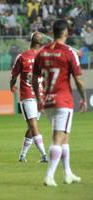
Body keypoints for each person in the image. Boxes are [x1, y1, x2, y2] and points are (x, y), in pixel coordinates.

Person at [32, 19, 87, 187]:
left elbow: (34, 79)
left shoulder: (41, 52)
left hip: (48, 102)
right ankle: (49, 176)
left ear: (53, 31)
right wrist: (84, 97)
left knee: (64, 138)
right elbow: (78, 80)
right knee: (58, 139)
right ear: (66, 33)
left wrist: (39, 98)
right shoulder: (68, 52)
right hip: (63, 101)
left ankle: (68, 173)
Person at [10, 32, 48, 163]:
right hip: (36, 96)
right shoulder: (44, 57)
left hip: (30, 95)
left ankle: (22, 155)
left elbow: (14, 76)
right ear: (40, 43)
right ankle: (44, 155)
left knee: (32, 127)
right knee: (33, 125)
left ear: (30, 40)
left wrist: (12, 86)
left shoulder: (22, 56)